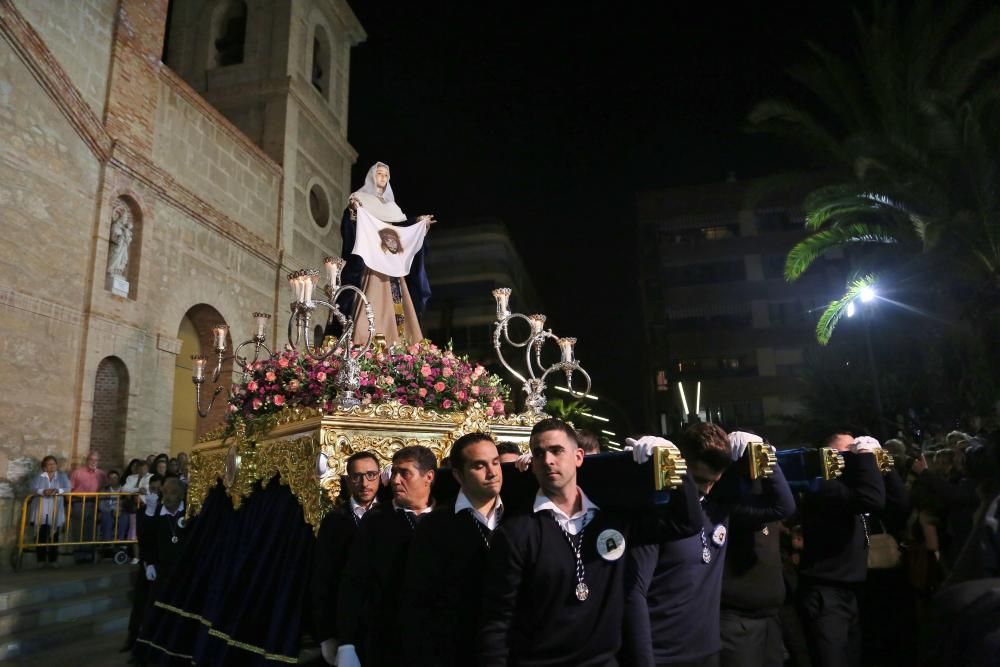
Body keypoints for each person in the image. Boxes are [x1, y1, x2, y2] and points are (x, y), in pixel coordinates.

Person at [478, 418, 701, 667]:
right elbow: (497, 621)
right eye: (539, 454)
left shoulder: (613, 519)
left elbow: (687, 522)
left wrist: (674, 459)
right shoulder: (517, 533)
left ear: (579, 457)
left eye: (556, 450)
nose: (548, 460)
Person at [624, 423, 795, 667]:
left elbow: (783, 507)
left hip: (708, 650)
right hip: (664, 653)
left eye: (714, 481)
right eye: (698, 479)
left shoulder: (720, 509)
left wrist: (762, 451)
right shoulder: (660, 517)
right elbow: (635, 592)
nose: (705, 489)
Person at [402, 433, 505, 667]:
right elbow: (418, 600)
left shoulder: (518, 516)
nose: (492, 472)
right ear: (458, 475)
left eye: (496, 462)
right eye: (480, 465)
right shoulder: (436, 525)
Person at [336, 446, 440, 667]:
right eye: (393, 472)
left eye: (405, 473)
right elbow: (353, 583)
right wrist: (346, 642)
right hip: (385, 643)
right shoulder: (376, 521)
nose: (395, 480)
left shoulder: (447, 520)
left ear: (428, 477)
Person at [796, 432, 886, 667]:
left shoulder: (852, 487)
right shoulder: (824, 487)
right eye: (847, 453)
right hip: (826, 593)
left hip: (851, 591)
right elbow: (872, 500)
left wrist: (882, 463)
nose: (852, 458)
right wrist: (865, 458)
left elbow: (900, 503)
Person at [331, 162, 435, 346]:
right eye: (379, 174)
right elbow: (352, 227)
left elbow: (401, 230)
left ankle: (400, 343)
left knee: (399, 301)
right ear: (372, 176)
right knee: (372, 297)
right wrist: (354, 212)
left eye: (386, 175)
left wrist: (418, 223)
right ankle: (365, 341)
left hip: (392, 267)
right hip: (371, 264)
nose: (383, 178)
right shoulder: (360, 199)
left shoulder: (392, 208)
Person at [717, 431, 798, 667]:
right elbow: (784, 505)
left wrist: (766, 455)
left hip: (770, 614)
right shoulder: (729, 503)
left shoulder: (760, 492)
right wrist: (740, 458)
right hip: (736, 621)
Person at [311, 451, 382, 666]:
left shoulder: (392, 514)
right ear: (348, 479)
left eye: (371, 475)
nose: (364, 483)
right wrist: (326, 635)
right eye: (357, 476)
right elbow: (322, 579)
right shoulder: (335, 521)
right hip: (344, 623)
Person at [29, 455, 70, 567]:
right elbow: (32, 487)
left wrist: (57, 490)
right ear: (44, 467)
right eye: (49, 464)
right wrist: (43, 491)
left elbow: (68, 488)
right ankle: (41, 560)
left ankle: (53, 560)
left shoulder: (62, 476)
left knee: (54, 535)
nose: (52, 466)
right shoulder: (39, 477)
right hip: (42, 508)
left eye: (53, 464)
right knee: (41, 534)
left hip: (55, 508)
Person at [69, 450, 108, 563]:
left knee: (90, 529)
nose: (93, 462)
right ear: (87, 460)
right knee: (78, 528)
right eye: (91, 459)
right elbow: (70, 489)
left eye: (96, 460)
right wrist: (69, 505)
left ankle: (88, 554)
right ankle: (78, 555)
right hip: (78, 502)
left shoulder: (101, 474)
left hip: (93, 503)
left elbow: (105, 489)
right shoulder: (77, 472)